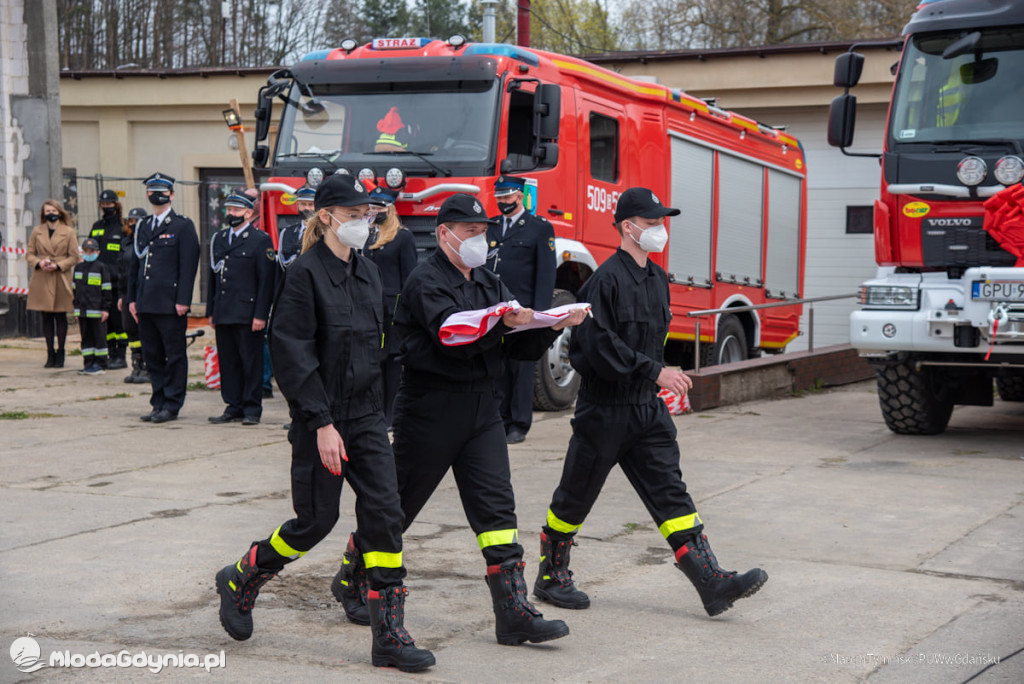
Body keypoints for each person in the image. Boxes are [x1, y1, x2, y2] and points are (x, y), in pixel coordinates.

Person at [332, 193, 586, 646]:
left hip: (481, 410)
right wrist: (501, 322)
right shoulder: (425, 280)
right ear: (445, 234)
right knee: (397, 507)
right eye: (471, 232)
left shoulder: (490, 282)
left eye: (484, 232)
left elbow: (514, 349)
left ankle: (513, 612)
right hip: (431, 409)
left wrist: (548, 325)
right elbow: (454, 334)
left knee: (497, 510)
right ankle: (353, 573)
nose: (480, 240)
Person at [215, 174, 434, 673]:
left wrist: (384, 414)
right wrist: (320, 423)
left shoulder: (369, 273)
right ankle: (243, 576)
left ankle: (390, 636)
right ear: (327, 217)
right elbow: (292, 355)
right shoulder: (304, 275)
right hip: (324, 420)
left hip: (367, 417)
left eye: (369, 214)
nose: (365, 222)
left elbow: (379, 351)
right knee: (316, 522)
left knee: (385, 514)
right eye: (355, 214)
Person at [532, 187, 768, 617]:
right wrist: (653, 370)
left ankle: (711, 582)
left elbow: (651, 341)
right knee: (575, 497)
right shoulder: (604, 280)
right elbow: (595, 345)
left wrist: (658, 375)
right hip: (604, 409)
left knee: (671, 495)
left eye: (662, 221)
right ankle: (551, 577)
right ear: (629, 226)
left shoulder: (657, 278)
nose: (661, 229)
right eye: (654, 222)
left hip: (646, 410)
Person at [485, 175, 556, 444]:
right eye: (499, 197)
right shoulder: (491, 227)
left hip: (523, 311)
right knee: (499, 366)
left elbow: (545, 275)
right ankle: (500, 420)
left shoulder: (538, 228)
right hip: (495, 310)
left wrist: (539, 315)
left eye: (507, 197)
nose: (503, 202)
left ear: (519, 196)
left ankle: (519, 423)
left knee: (521, 368)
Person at [126, 173, 200, 424]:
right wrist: (132, 300)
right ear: (147, 195)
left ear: (171, 194)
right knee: (152, 356)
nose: (156, 195)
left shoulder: (182, 225)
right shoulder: (143, 226)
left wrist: (183, 301)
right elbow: (135, 266)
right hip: (146, 303)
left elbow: (188, 267)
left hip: (170, 305)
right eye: (152, 190)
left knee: (174, 356)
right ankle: (157, 402)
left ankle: (172, 404)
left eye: (162, 190)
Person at [207, 192, 275, 426]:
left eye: (237, 210)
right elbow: (213, 277)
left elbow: (266, 281)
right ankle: (233, 405)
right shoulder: (220, 238)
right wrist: (211, 311)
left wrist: (260, 314)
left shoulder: (260, 240)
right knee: (228, 362)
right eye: (229, 210)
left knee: (250, 362)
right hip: (224, 311)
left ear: (248, 213)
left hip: (248, 314)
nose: (231, 214)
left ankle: (252, 408)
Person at [362, 185, 417, 428]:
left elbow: (410, 277)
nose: (374, 211)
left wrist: (408, 313)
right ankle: (377, 410)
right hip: (372, 307)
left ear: (389, 208)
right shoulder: (368, 234)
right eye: (371, 207)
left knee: (393, 362)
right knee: (377, 361)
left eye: (378, 207)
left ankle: (391, 414)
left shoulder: (402, 236)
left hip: (393, 308)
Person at [26, 200, 79, 368]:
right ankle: (50, 353)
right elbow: (29, 254)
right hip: (42, 276)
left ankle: (61, 352)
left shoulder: (68, 232)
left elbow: (74, 256)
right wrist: (39, 263)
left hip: (60, 277)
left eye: (53, 210)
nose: (51, 213)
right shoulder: (37, 231)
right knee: (46, 317)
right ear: (43, 213)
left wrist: (58, 265)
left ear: (59, 212)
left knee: (60, 315)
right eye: (47, 210)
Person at [89, 189, 129, 369]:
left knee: (118, 320)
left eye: (110, 204)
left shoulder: (122, 227)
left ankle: (121, 355)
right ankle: (110, 352)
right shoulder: (97, 226)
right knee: (106, 322)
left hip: (116, 282)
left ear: (116, 205)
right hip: (99, 283)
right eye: (104, 205)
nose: (107, 207)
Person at [72, 238, 112, 375]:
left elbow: (106, 290)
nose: (89, 253)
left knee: (99, 338)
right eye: (86, 251)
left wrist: (105, 309)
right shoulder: (78, 268)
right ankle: (88, 363)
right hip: (82, 311)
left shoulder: (101, 268)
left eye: (92, 251)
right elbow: (75, 291)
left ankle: (100, 364)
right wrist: (76, 310)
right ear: (82, 252)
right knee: (86, 338)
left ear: (98, 252)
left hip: (97, 311)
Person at [120, 207, 150, 384]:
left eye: (137, 221)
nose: (133, 224)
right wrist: (120, 296)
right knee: (131, 331)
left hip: (142, 293)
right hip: (126, 293)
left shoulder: (147, 242)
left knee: (144, 331)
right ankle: (137, 366)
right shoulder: (126, 243)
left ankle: (147, 367)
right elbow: (122, 271)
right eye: (130, 221)